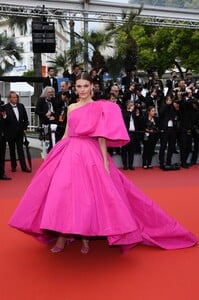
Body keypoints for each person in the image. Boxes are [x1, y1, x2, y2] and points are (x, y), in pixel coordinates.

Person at [9, 72, 197, 254]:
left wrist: (105, 163)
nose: (82, 90)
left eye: (85, 86)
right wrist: (55, 151)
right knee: (63, 194)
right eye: (79, 86)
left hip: (89, 153)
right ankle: (62, 235)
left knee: (87, 196)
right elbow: (67, 132)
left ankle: (85, 237)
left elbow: (100, 137)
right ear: (75, 88)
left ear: (92, 87)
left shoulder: (99, 107)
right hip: (68, 150)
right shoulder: (72, 107)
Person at [3, 91, 31, 173]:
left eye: (16, 97)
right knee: (12, 150)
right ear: (9, 98)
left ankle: (24, 167)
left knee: (20, 150)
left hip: (20, 132)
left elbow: (25, 119)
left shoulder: (21, 106)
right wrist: (4, 116)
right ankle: (13, 166)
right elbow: (4, 122)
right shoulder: (5, 107)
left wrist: (25, 127)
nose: (16, 99)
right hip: (10, 133)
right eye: (14, 97)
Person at [0, 102, 11, 180]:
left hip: (2, 137)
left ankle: (1, 173)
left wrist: (4, 116)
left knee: (1, 156)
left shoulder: (2, 108)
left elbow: (8, 122)